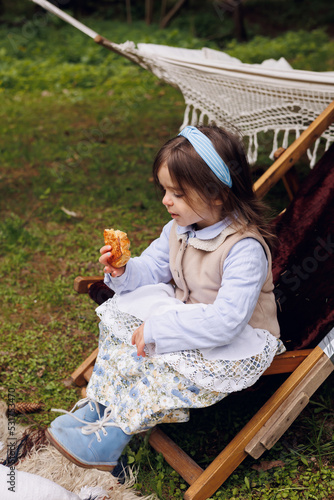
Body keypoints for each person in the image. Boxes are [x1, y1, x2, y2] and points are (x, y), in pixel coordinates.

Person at [46, 125, 285, 471]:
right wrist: (124, 270)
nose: (166, 200)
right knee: (124, 329)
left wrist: (161, 330)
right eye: (164, 190)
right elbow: (154, 267)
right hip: (189, 314)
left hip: (235, 336)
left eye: (178, 193)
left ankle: (114, 434)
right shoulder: (178, 228)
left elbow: (226, 322)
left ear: (216, 194)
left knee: (160, 361)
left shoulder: (243, 249)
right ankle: (100, 407)